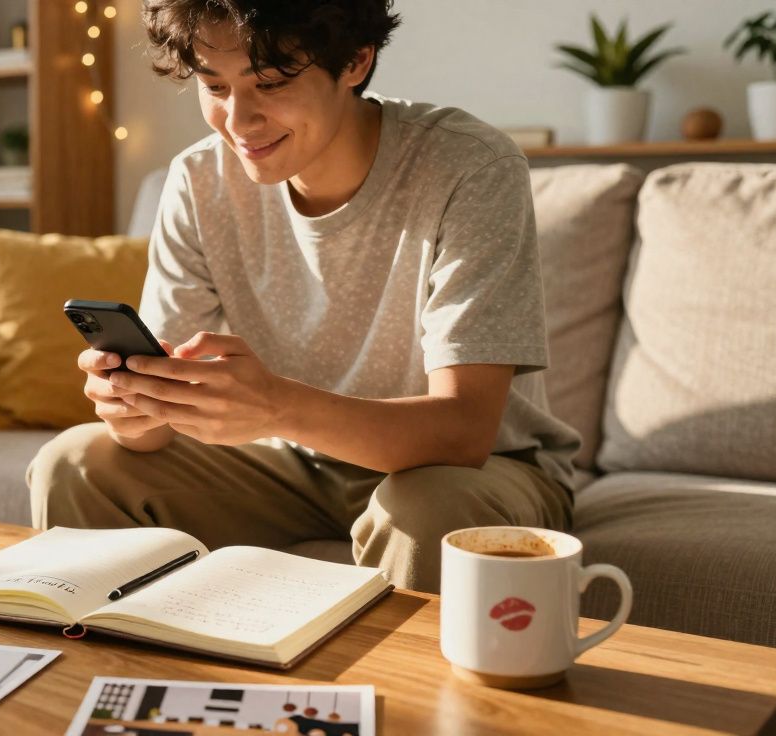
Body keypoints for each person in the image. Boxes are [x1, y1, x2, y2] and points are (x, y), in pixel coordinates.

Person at [28, 0, 580, 594]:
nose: (239, 120)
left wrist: (275, 406)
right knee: (77, 465)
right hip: (294, 466)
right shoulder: (198, 180)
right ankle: (133, 682)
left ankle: (404, 688)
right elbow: (153, 434)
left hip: (468, 472)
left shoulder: (470, 167)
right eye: (215, 86)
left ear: (356, 62)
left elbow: (465, 432)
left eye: (271, 83)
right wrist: (134, 405)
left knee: (424, 508)